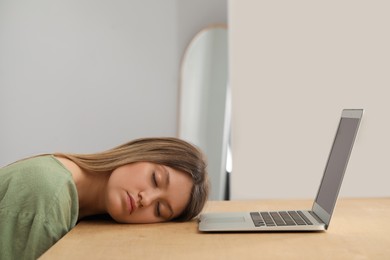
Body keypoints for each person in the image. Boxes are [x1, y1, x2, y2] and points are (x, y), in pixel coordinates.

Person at [0, 137, 209, 259]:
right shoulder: (48, 196)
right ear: (139, 153)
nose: (146, 199)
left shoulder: (79, 200)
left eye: (159, 210)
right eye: (155, 179)